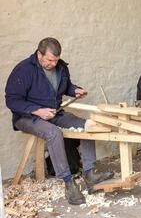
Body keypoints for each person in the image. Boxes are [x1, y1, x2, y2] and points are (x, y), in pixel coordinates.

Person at [5, 38, 113, 205]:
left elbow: (65, 86)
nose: (53, 64)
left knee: (87, 125)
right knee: (54, 133)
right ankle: (68, 183)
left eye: (56, 60)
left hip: (54, 112)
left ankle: (90, 173)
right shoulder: (24, 70)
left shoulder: (61, 66)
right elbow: (12, 101)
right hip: (27, 117)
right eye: (49, 60)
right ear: (39, 54)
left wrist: (74, 90)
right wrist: (38, 110)